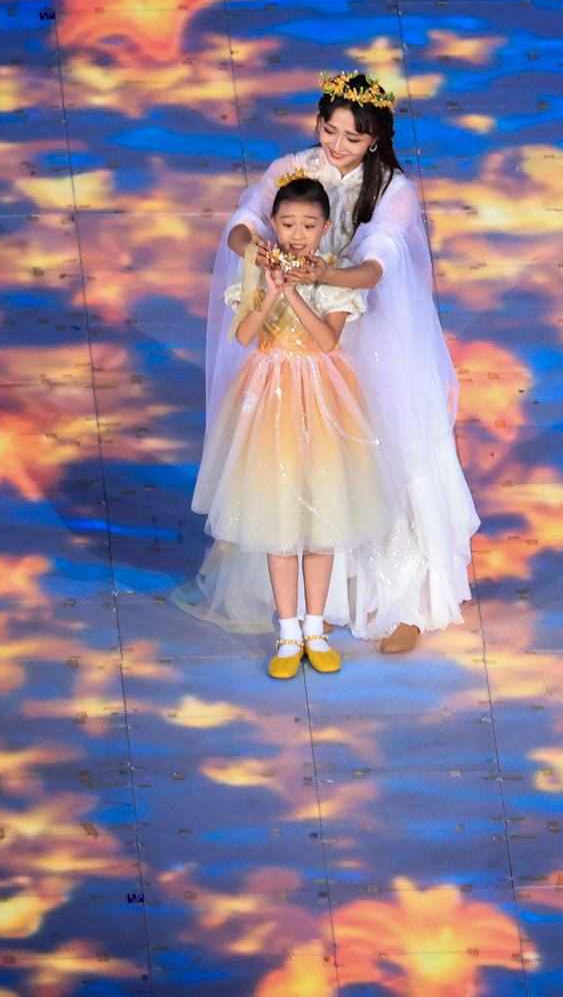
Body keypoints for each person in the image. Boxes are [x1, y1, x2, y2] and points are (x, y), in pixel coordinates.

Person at [172, 71, 478, 654]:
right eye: (330, 130)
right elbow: (245, 222)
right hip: (297, 331)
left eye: (353, 138)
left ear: (375, 140)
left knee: (388, 450)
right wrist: (261, 254)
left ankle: (406, 600)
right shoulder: (293, 170)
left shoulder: (392, 189)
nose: (337, 145)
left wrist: (326, 275)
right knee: (309, 460)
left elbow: (376, 263)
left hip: (368, 331)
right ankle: (324, 602)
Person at [190, 175, 382, 678]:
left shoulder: (334, 275)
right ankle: (288, 631)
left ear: (325, 227)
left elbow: (326, 342)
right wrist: (271, 292)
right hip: (271, 397)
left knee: (322, 520)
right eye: (288, 223)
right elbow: (246, 336)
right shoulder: (259, 271)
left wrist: (296, 293)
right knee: (278, 522)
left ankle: (316, 629)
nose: (298, 234)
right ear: (273, 224)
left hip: (321, 398)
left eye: (309, 225)